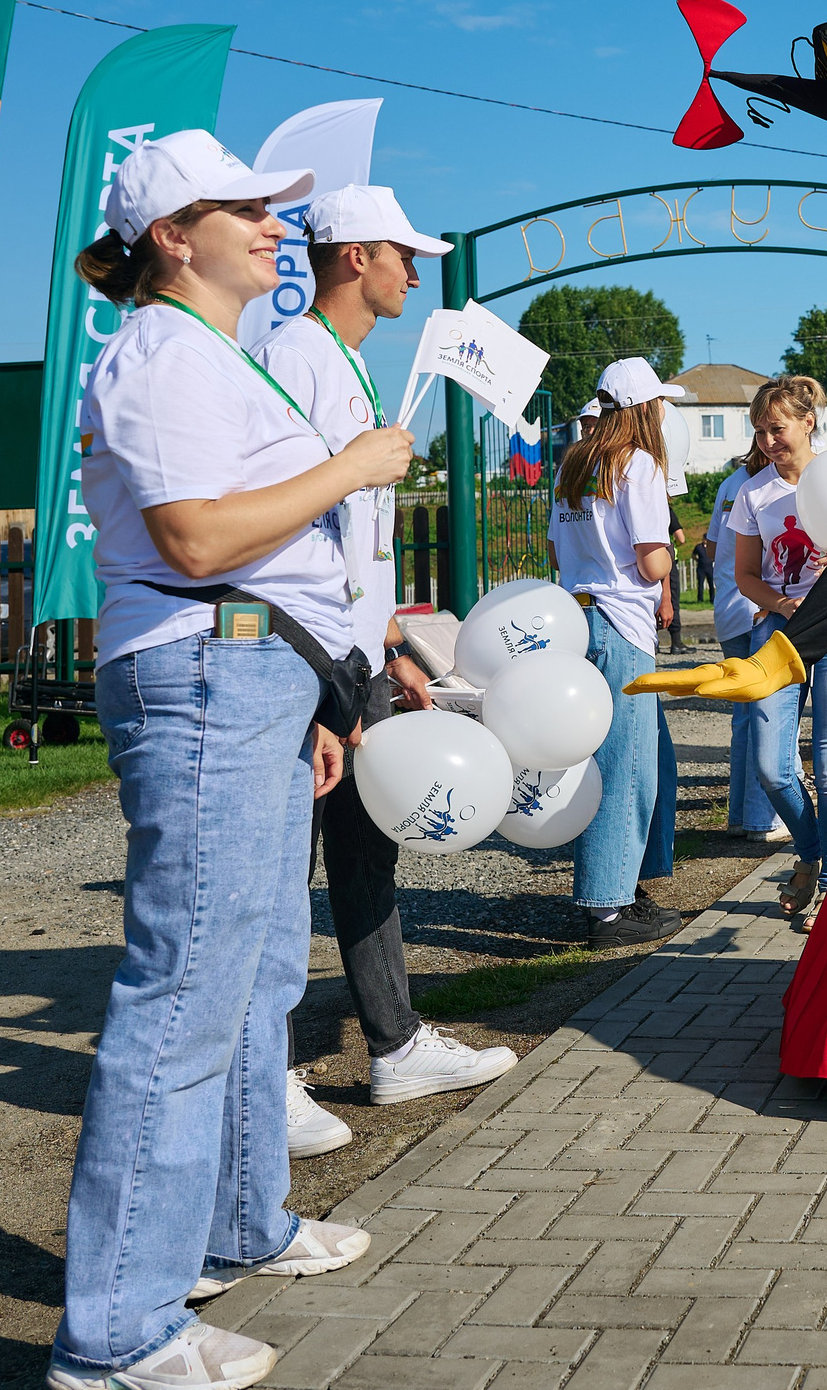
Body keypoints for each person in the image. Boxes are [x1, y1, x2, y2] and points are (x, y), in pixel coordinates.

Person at [51, 131, 407, 1390]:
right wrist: (349, 468)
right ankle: (117, 1332)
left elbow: (256, 558)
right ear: (171, 235)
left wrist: (312, 695)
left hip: (250, 674)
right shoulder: (160, 355)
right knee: (186, 996)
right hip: (204, 669)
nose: (272, 225)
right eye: (243, 207)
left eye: (271, 207)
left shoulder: (211, 352)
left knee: (252, 976)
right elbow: (197, 540)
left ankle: (239, 1224)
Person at [256, 186, 517, 1153]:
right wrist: (330, 676)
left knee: (366, 856)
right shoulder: (294, 357)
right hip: (306, 660)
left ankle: (395, 1045)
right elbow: (291, 529)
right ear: (357, 255)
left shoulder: (348, 361)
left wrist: (392, 647)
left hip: (355, 657)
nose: (415, 271)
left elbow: (354, 539)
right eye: (404, 254)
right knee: (284, 872)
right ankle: (266, 1077)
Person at [548, 360, 688, 949]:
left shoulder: (574, 462)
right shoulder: (640, 465)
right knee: (626, 766)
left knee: (613, 758)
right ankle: (607, 907)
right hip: (622, 621)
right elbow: (652, 562)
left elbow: (557, 554)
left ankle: (621, 887)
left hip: (577, 617)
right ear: (644, 409)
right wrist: (673, 558)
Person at [726, 374, 827, 916]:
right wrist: (783, 604)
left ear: (808, 423)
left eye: (777, 428)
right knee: (770, 767)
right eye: (760, 431)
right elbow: (745, 575)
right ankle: (811, 855)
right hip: (778, 635)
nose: (767, 441)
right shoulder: (753, 492)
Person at [700, 450, 785, 843]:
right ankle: (761, 820)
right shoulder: (772, 487)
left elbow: (712, 548)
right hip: (761, 609)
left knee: (744, 717)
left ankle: (738, 815)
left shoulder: (730, 484)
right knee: (767, 716)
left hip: (729, 609)